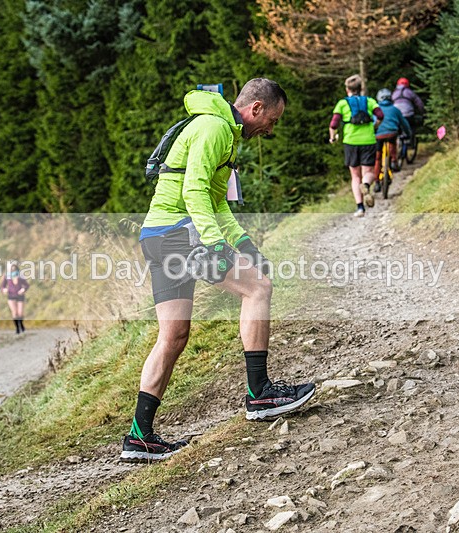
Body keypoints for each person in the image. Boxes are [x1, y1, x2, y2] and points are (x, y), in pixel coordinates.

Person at [121, 78, 316, 463]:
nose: (270, 130)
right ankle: (259, 393)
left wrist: (242, 243)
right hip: (181, 232)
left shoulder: (220, 129)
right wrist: (213, 243)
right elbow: (194, 190)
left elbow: (215, 200)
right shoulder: (214, 128)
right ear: (256, 108)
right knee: (258, 288)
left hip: (157, 235)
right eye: (272, 119)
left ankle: (139, 437)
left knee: (173, 336)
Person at [328, 74, 384, 218]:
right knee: (369, 172)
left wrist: (332, 137)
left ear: (347, 89)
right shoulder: (370, 101)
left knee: (355, 176)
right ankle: (366, 185)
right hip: (368, 140)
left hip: (351, 142)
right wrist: (375, 126)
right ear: (361, 88)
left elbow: (334, 124)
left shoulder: (342, 103)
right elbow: (380, 115)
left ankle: (360, 208)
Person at [373, 88, 411, 188]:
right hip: (391, 133)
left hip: (378, 136)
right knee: (392, 143)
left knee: (377, 159)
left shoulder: (375, 110)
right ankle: (394, 161)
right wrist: (409, 134)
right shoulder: (395, 109)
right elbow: (404, 124)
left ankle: (376, 182)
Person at [1, 262, 29, 334]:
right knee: (14, 312)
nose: (13, 270)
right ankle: (17, 328)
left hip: (20, 295)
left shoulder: (20, 275)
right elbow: (2, 286)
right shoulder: (6, 276)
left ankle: (21, 324)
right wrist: (4, 289)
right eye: (11, 268)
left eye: (14, 268)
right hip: (11, 296)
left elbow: (26, 285)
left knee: (20, 312)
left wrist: (23, 289)